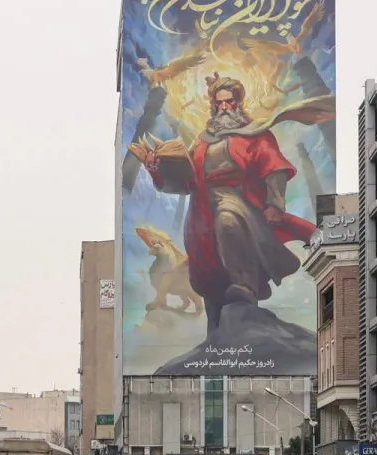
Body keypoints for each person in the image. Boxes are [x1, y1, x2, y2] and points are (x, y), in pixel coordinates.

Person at [136, 74, 330, 330]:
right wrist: (157, 170)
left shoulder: (254, 134)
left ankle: (244, 285)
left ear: (238, 103)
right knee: (208, 272)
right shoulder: (202, 143)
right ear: (213, 106)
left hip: (237, 199)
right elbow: (186, 182)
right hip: (202, 210)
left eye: (229, 102)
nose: (224, 107)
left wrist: (275, 203)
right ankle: (216, 335)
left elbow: (274, 168)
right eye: (219, 103)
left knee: (228, 221)